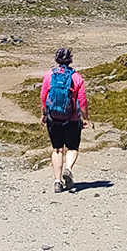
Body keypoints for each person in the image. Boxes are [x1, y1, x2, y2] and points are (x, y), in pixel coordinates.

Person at [40, 47, 88, 191]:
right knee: (72, 148)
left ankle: (57, 181)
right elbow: (83, 101)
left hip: (53, 118)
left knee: (57, 149)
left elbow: (43, 96)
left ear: (56, 59)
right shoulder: (76, 77)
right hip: (72, 118)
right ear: (70, 60)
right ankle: (68, 168)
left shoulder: (49, 75)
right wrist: (85, 118)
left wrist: (43, 115)